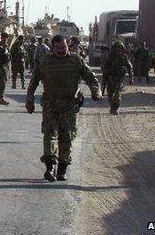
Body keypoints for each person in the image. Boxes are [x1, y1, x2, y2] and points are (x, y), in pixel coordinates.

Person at [26, 35, 101, 182]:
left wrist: (95, 90)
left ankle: (62, 169)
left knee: (67, 137)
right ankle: (50, 167)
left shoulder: (76, 61)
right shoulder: (45, 62)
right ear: (52, 48)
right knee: (49, 136)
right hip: (50, 105)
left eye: (64, 47)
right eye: (58, 48)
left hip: (70, 106)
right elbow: (34, 81)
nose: (61, 50)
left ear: (68, 47)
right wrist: (30, 100)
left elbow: (91, 78)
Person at [103, 41, 133, 115]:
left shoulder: (124, 57)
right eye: (117, 48)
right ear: (114, 49)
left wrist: (131, 77)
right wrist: (104, 78)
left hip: (119, 78)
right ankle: (112, 106)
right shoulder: (110, 57)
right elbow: (105, 68)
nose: (118, 50)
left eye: (120, 48)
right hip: (110, 78)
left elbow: (129, 67)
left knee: (117, 92)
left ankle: (115, 108)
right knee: (110, 94)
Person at [0, 32, 11, 105]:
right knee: (0, 83)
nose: (5, 40)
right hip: (0, 66)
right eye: (4, 38)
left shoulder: (6, 47)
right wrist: (4, 49)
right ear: (2, 38)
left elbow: (9, 57)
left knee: (3, 83)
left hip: (5, 66)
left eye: (6, 39)